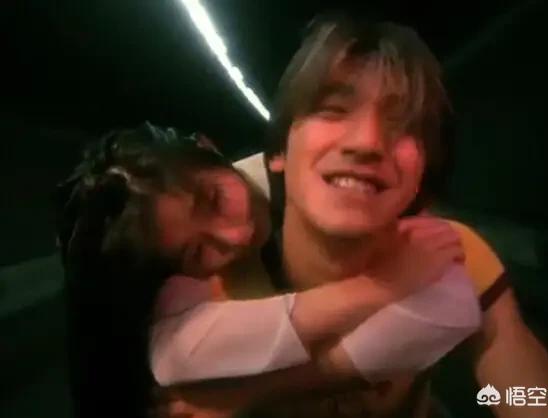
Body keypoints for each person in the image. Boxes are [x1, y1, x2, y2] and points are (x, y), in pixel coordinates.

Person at [204, 13, 548, 418]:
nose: (368, 142)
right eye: (333, 110)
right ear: (279, 151)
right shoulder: (215, 289)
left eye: (404, 125)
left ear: (421, 174)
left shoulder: (450, 254)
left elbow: (526, 387)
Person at [57, 123, 473, 418]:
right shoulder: (178, 295)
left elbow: (453, 306)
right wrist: (384, 287)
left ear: (209, 147)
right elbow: (174, 354)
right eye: (198, 252)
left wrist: (252, 391)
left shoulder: (318, 176)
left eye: (214, 200)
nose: (235, 237)